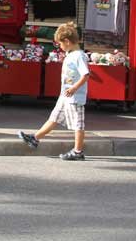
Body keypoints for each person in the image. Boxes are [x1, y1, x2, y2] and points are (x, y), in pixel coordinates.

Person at [17, 21, 91, 160]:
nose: (60, 46)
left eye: (60, 44)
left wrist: (74, 88)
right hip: (66, 95)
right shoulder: (71, 54)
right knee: (54, 117)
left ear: (67, 41)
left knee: (78, 124)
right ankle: (35, 138)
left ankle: (78, 151)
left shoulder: (79, 56)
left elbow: (86, 74)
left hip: (74, 97)